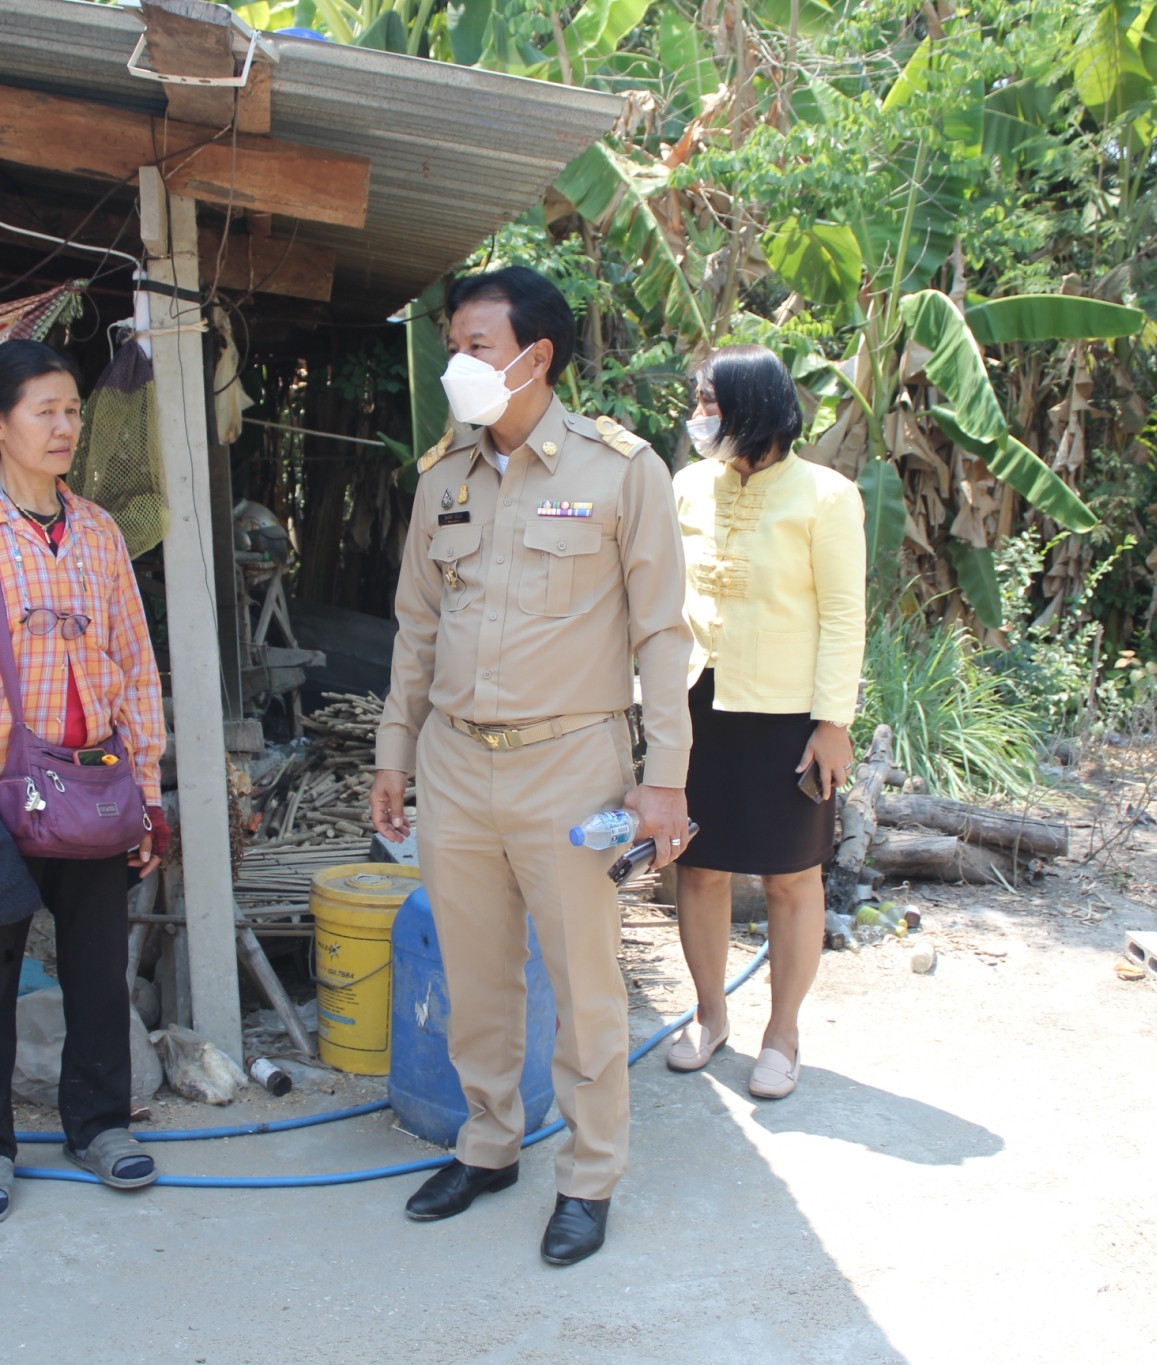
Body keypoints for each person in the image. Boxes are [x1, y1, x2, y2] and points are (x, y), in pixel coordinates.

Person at [368, 266, 692, 1267]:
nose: (456, 365)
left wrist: (666, 776)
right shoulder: (443, 478)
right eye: (453, 348)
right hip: (456, 764)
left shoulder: (620, 470)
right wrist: (394, 752)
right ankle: (488, 1143)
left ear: (535, 356)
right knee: (475, 978)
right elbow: (415, 631)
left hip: (571, 764)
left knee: (583, 987)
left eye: (476, 347)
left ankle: (589, 1176)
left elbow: (663, 634)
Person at [0, 338, 169, 1225]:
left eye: (72, 410)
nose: (63, 427)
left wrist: (149, 790)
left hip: (92, 792)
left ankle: (100, 1125)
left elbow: (135, 667)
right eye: (43, 410)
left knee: (98, 974)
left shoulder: (97, 533)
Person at [663, 344, 865, 1099]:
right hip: (696, 703)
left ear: (752, 409)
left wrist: (832, 722)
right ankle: (710, 1014)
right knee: (700, 865)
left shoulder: (827, 496)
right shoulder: (687, 486)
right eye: (700, 401)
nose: (699, 416)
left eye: (710, 404)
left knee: (792, 876)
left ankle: (783, 1033)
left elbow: (843, 615)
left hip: (789, 716)